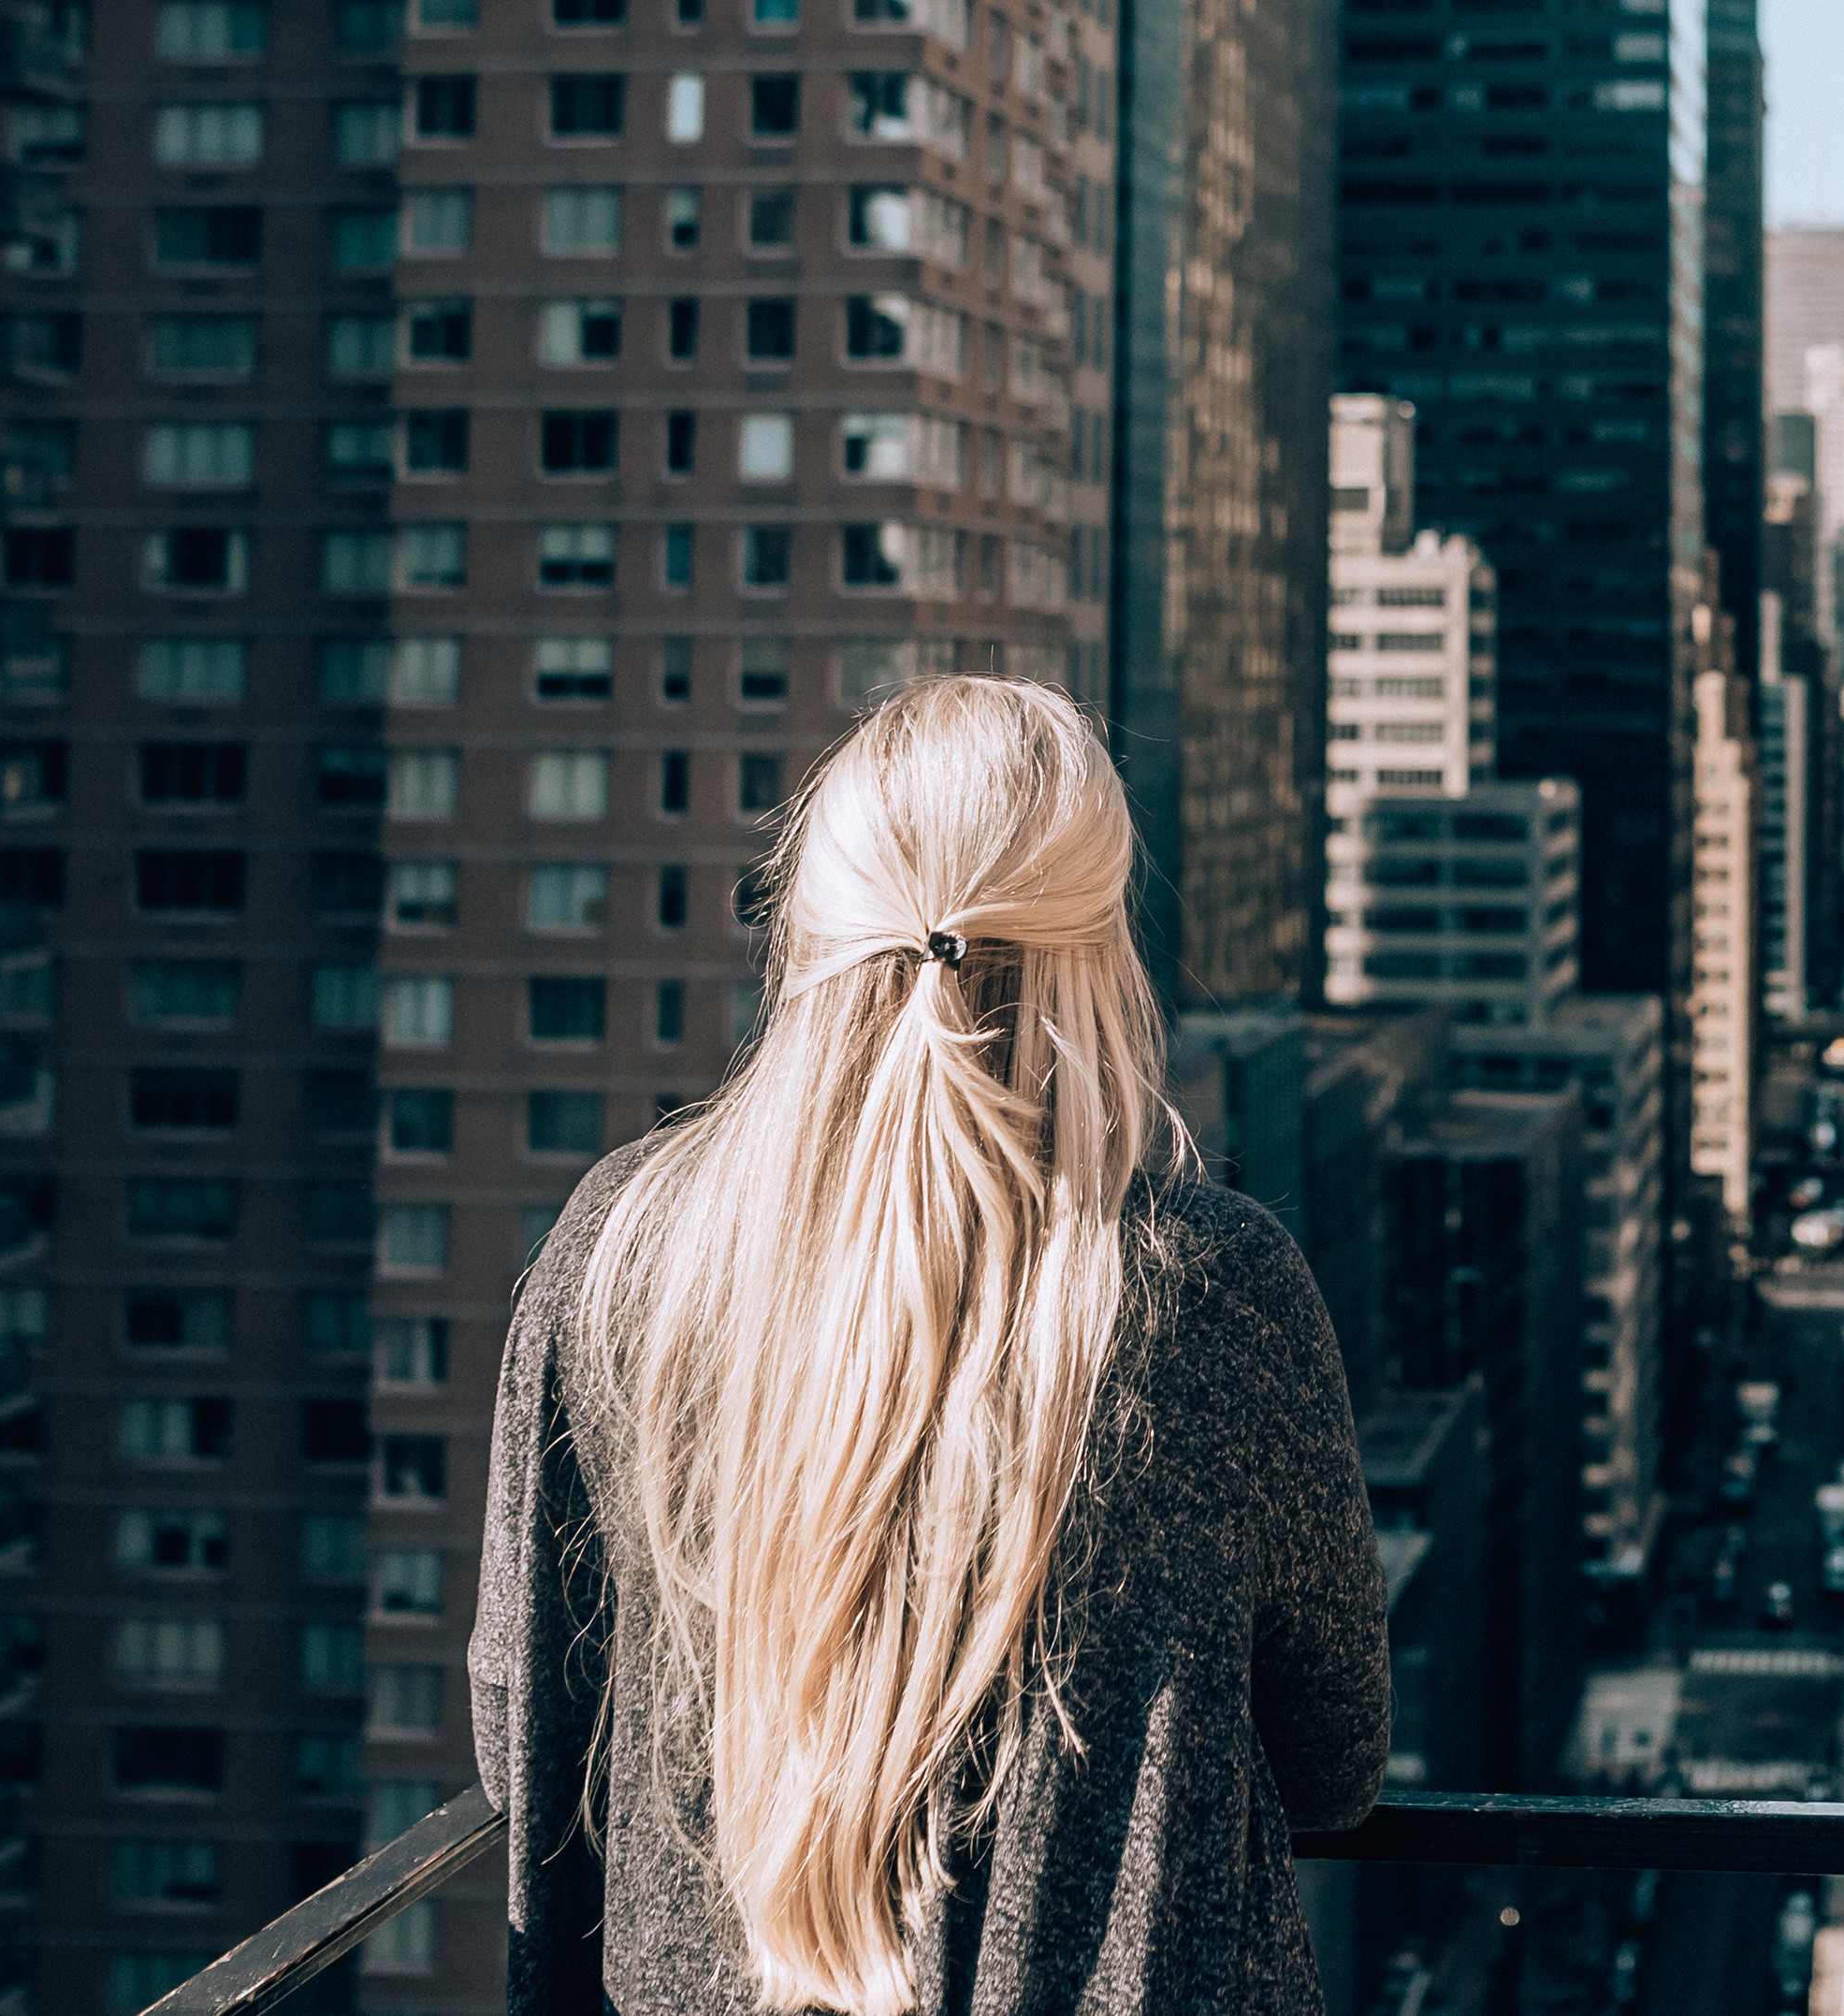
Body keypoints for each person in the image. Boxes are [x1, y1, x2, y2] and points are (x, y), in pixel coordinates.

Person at [470, 676, 1388, 2015]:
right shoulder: (1212, 1295)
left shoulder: (615, 1259)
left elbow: (526, 1741)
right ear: (1099, 954)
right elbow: (1336, 1758)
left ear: (810, 925)